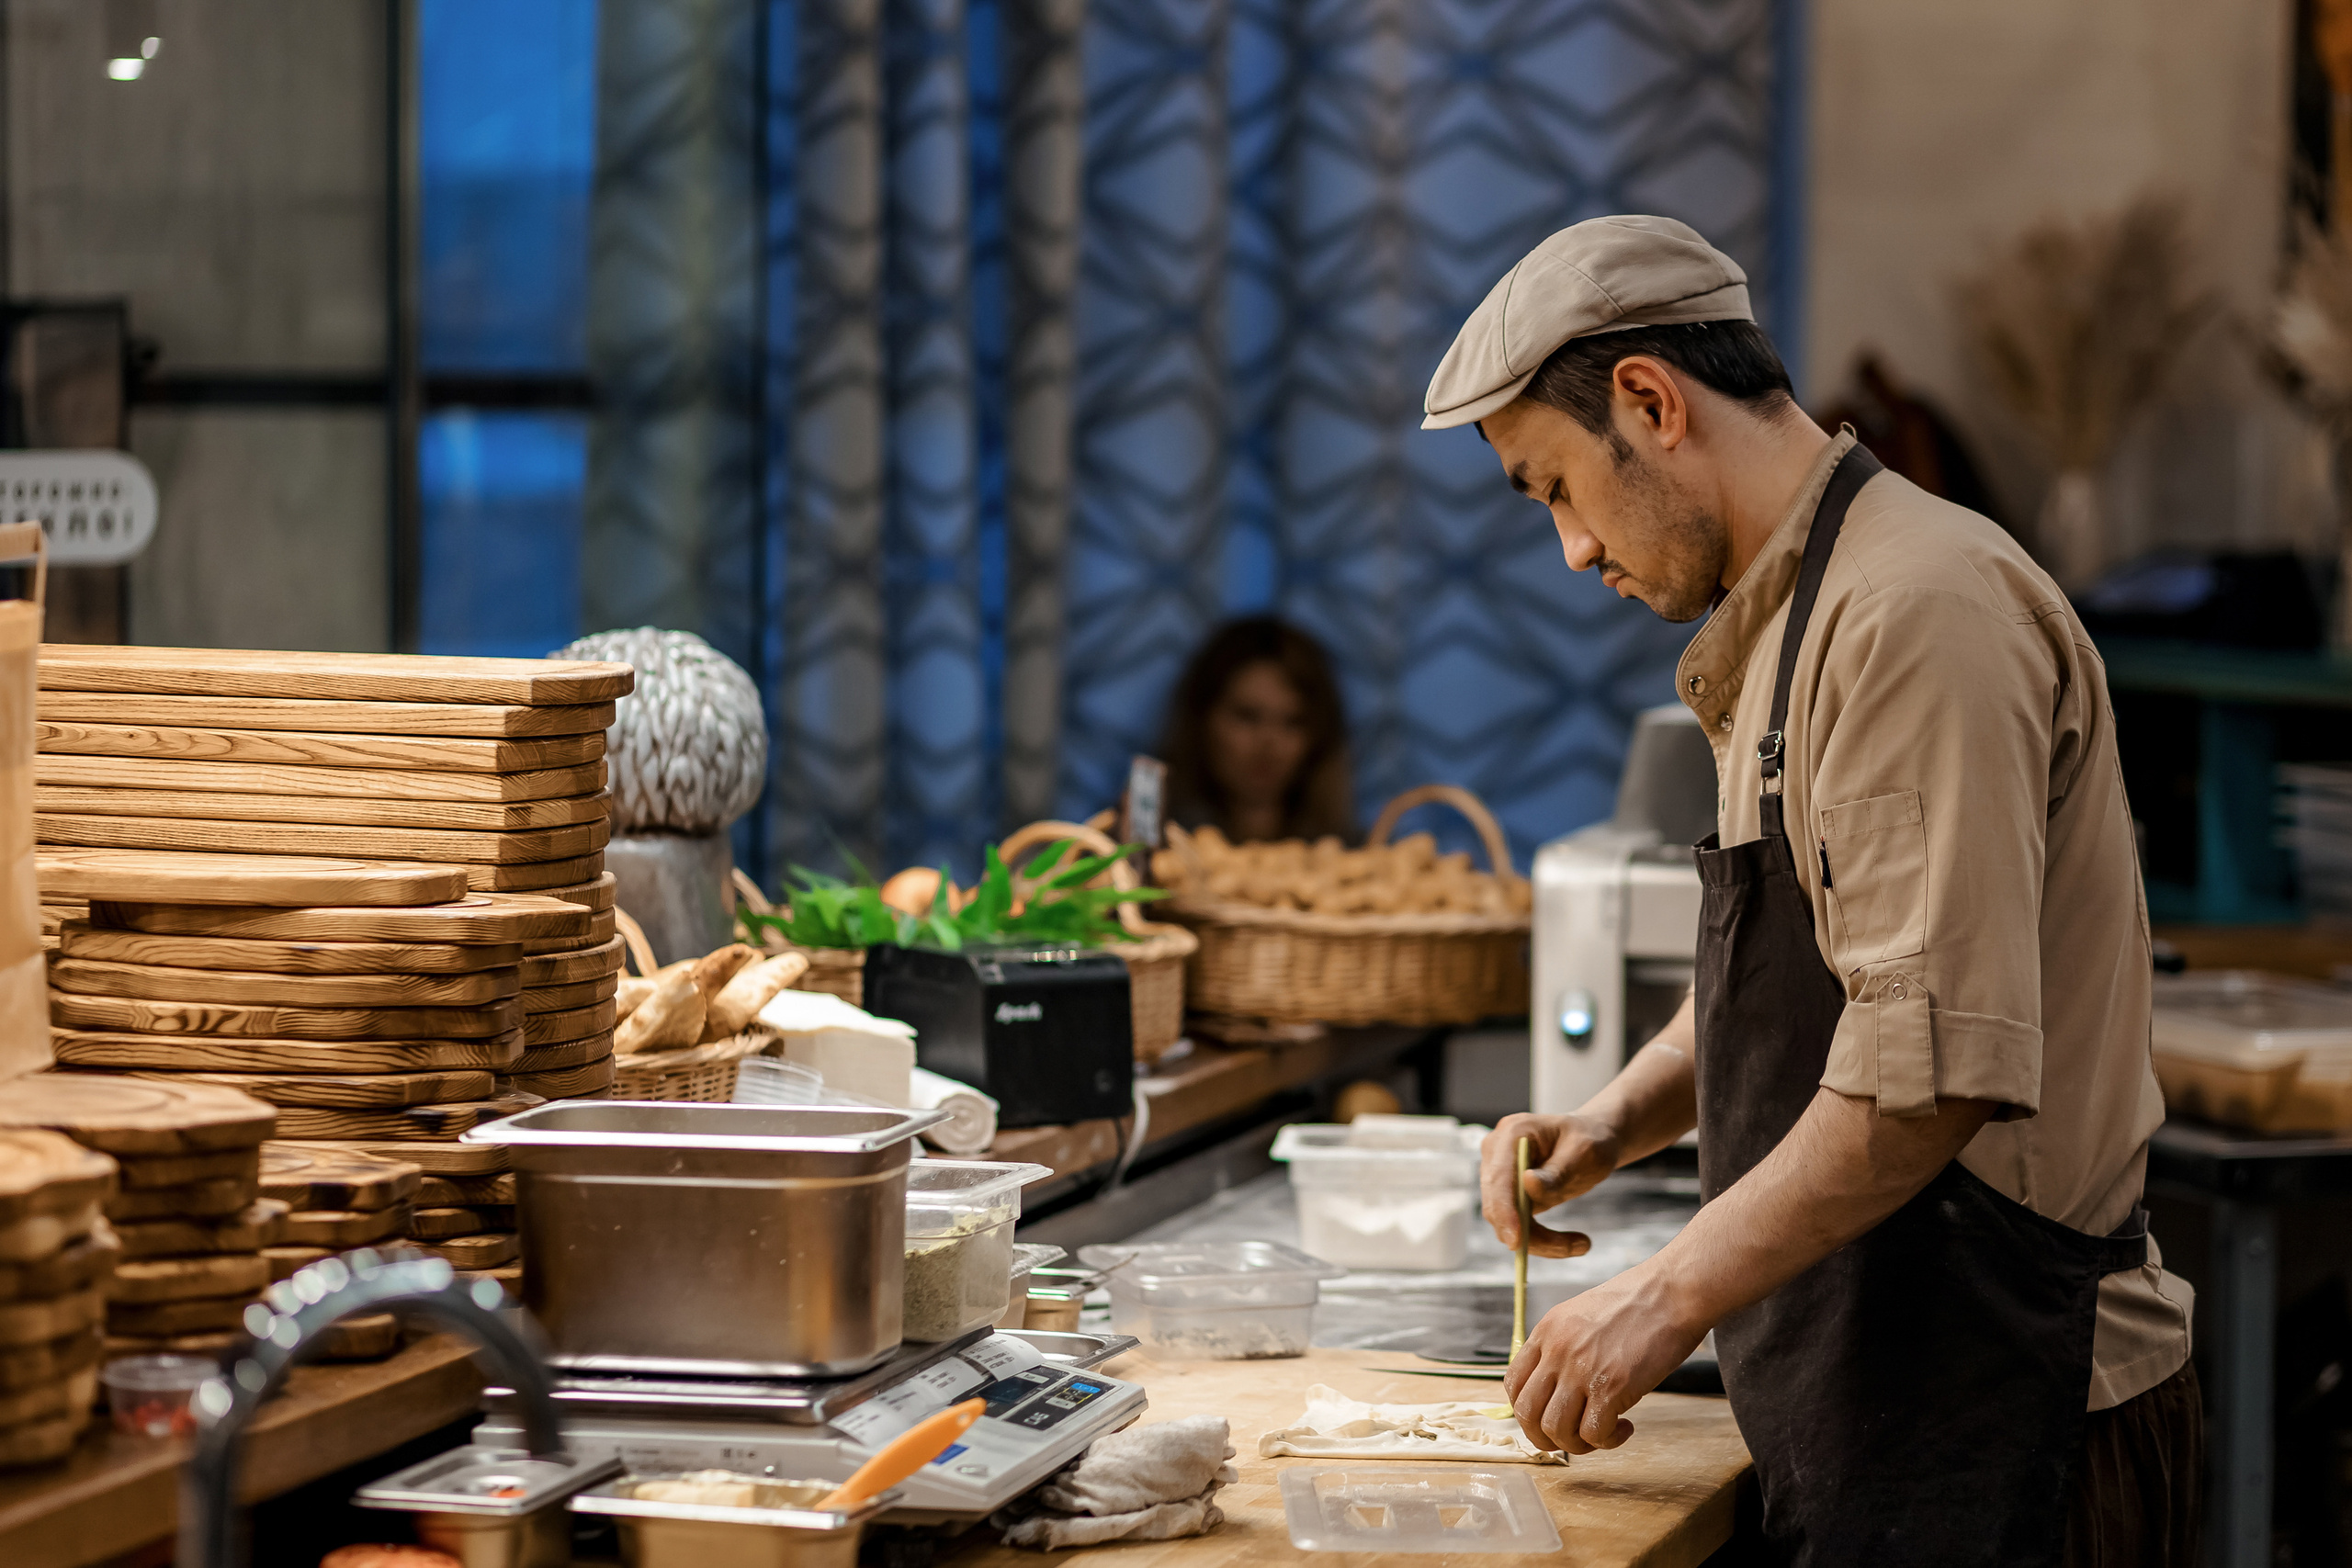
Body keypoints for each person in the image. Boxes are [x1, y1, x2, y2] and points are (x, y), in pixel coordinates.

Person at [1422, 215, 2197, 1567]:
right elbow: (1831, 969)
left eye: (1555, 487)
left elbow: (1923, 1076)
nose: (1572, 550)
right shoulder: (1789, 616)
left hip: (2014, 1409)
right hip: (1890, 1396)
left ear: (1650, 402)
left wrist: (1659, 1296)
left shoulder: (1914, 610)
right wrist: (1613, 1118)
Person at [1159, 615, 1355, 843]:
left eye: (1293, 722)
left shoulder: (1356, 855)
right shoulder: (1146, 849)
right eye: (1247, 716)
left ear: (1319, 735)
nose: (1268, 742)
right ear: (1202, 717)